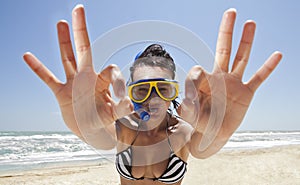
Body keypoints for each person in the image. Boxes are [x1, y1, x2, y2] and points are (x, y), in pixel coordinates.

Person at [23, 4, 282, 185]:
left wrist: (218, 127)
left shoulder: (185, 131)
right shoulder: (123, 127)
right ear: (130, 92)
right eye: (143, 89)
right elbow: (95, 134)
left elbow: (206, 147)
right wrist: (82, 118)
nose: (153, 99)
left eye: (163, 89)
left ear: (174, 91)